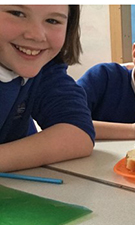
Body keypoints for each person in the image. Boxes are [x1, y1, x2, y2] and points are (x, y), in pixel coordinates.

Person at [0, 5, 95, 172]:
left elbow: (78, 133)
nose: (36, 35)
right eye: (17, 13)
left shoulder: (46, 68)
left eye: (53, 20)